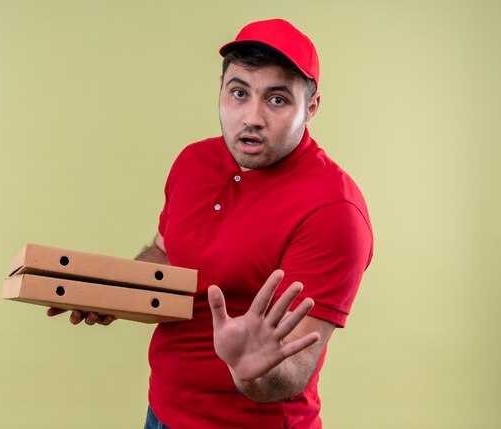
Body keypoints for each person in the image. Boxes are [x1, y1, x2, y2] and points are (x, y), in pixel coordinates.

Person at [49, 18, 373, 429]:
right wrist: (116, 291)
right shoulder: (193, 162)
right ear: (221, 91)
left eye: (277, 100)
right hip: (162, 413)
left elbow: (295, 368)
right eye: (239, 93)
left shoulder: (333, 210)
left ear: (310, 108)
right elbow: (167, 255)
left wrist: (250, 369)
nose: (251, 117)